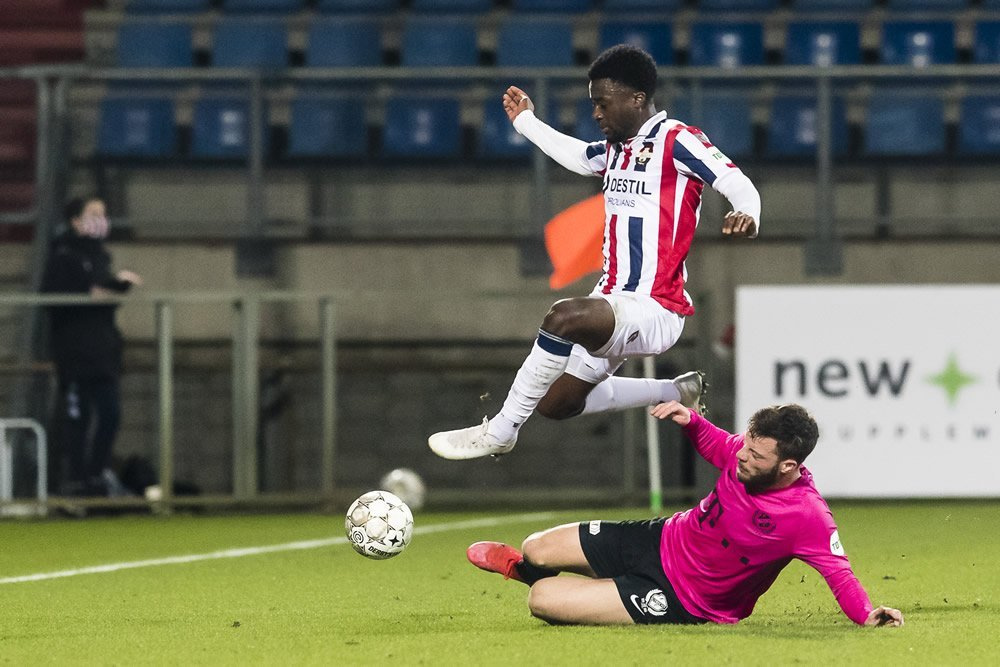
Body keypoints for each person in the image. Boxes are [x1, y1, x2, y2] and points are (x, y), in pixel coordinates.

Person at [429, 44, 760, 460]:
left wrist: (747, 212)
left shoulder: (678, 140)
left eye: (602, 103)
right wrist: (526, 121)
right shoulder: (616, 149)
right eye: (593, 105)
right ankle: (676, 389)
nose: (596, 114)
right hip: (613, 302)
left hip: (657, 306)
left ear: (637, 99)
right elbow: (575, 156)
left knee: (563, 317)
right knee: (554, 404)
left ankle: (501, 430)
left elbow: (735, 180)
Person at [465, 401, 904, 628]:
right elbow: (717, 443)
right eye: (746, 445)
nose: (743, 457)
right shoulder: (745, 454)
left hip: (686, 598)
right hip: (660, 539)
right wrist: (690, 421)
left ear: (787, 466)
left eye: (755, 454)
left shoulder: (807, 516)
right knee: (535, 547)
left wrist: (867, 614)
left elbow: (839, 574)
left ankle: (589, 589)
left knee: (541, 602)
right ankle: (535, 570)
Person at [41, 196, 141, 497]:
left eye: (104, 214)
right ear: (75, 220)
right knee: (77, 418)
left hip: (103, 351)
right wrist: (102, 290)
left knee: (110, 415)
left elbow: (101, 292)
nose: (101, 219)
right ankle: (77, 481)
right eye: (93, 214)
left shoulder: (101, 256)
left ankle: (96, 475)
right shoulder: (62, 255)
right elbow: (64, 297)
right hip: (74, 353)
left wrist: (114, 286)